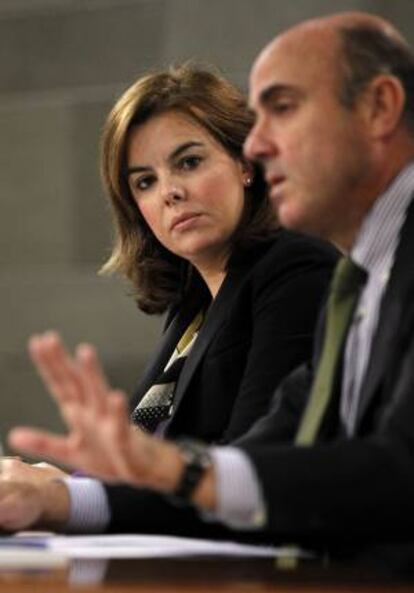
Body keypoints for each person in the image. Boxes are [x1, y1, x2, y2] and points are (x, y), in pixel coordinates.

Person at [0, 65, 336, 533]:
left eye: (189, 162)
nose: (170, 193)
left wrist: (61, 498)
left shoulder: (294, 270)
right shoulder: (192, 305)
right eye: (145, 182)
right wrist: (57, 479)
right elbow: (144, 458)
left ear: (244, 164)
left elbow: (249, 472)